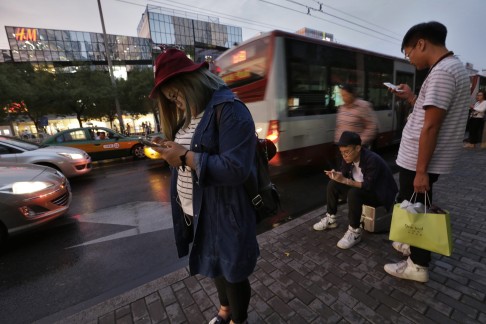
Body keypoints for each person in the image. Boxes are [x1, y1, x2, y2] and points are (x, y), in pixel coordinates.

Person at [148, 49, 258, 324]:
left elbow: (236, 168)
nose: (176, 103)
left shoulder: (230, 110)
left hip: (224, 213)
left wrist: (185, 156)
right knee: (215, 268)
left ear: (193, 82)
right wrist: (172, 150)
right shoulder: (189, 118)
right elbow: (189, 159)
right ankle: (224, 311)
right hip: (195, 212)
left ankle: (238, 319)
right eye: (170, 99)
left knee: (232, 273)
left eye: (176, 95)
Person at [384, 21, 470, 283]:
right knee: (414, 206)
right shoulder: (451, 68)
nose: (409, 59)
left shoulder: (443, 72)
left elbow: (431, 126)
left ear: (421, 43)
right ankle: (413, 252)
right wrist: (411, 98)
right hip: (420, 160)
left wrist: (421, 171)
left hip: (418, 162)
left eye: (408, 52)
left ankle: (417, 265)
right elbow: (428, 115)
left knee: (416, 208)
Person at [313, 131, 398, 249]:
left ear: (358, 148)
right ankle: (331, 218)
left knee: (354, 193)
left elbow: (368, 185)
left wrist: (345, 181)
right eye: (342, 152)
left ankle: (355, 231)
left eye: (347, 152)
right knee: (333, 184)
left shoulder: (372, 160)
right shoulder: (348, 158)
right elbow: (344, 174)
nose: (344, 155)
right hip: (364, 190)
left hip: (380, 195)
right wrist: (336, 175)